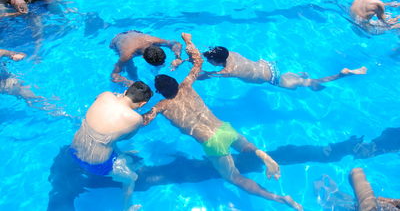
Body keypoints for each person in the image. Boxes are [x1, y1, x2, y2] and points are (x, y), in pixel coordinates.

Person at [143, 33, 302, 210]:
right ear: (175, 82)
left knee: (234, 177)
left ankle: (278, 198)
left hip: (211, 142)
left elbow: (144, 121)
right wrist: (187, 41)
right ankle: (264, 156)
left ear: (159, 92)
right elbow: (198, 62)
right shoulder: (187, 84)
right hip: (224, 128)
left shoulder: (161, 106)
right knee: (248, 148)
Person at [53, 81, 153, 211]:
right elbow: (126, 137)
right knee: (131, 178)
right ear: (142, 104)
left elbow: (97, 100)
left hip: (74, 149)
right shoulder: (135, 119)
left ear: (125, 92)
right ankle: (128, 207)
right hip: (96, 165)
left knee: (108, 141)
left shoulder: (106, 95)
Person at [199, 46, 367, 91]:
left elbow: (205, 76)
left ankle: (341, 75)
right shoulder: (230, 54)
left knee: (310, 83)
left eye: (210, 60)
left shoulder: (228, 71)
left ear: (216, 60)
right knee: (301, 79)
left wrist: (197, 73)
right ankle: (303, 76)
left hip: (272, 78)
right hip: (268, 64)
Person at [109, 30, 183, 86]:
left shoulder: (154, 41)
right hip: (116, 41)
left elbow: (176, 44)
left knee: (159, 64)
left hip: (133, 32)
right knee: (130, 70)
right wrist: (130, 83)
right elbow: (114, 75)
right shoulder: (127, 55)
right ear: (143, 57)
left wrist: (178, 57)